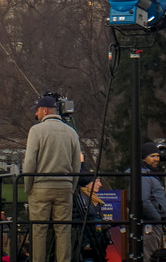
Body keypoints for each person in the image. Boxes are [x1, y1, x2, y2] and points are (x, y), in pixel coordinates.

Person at [22, 95, 81, 262]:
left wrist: (29, 186)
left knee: (39, 229)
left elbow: (30, 161)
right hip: (65, 187)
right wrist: (72, 186)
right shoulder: (71, 132)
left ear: (44, 110)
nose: (36, 115)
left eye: (37, 111)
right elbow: (76, 163)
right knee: (63, 230)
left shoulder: (36, 131)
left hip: (41, 187)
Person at [139, 142, 166, 262]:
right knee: (149, 255)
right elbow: (143, 200)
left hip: (154, 222)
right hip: (151, 224)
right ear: (144, 158)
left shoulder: (150, 174)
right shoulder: (144, 176)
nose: (156, 159)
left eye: (157, 156)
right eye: (152, 156)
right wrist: (156, 217)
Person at [73, 176, 111, 262]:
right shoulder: (83, 199)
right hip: (89, 242)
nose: (100, 184)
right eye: (97, 181)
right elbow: (86, 223)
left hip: (94, 241)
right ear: (87, 184)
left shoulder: (92, 199)